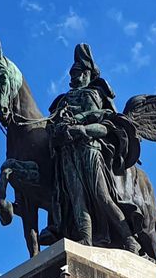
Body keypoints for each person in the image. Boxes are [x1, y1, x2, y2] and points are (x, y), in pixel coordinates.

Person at [45, 43, 144, 254]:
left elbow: (103, 126)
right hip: (68, 153)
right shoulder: (62, 101)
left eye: (77, 73)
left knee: (102, 196)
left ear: (87, 73)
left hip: (89, 149)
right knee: (76, 197)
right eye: (72, 73)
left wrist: (80, 127)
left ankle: (130, 239)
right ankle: (85, 238)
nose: (73, 77)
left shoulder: (92, 95)